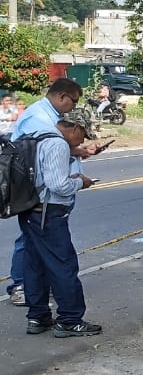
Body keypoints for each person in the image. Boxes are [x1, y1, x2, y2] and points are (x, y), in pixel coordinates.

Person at [7, 79, 102, 307]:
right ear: (61, 96)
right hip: (44, 201)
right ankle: (61, 312)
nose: (73, 106)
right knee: (55, 260)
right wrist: (79, 182)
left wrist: (78, 151)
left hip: (44, 200)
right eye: (74, 101)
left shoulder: (52, 122)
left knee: (37, 255)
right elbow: (47, 166)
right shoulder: (38, 118)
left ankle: (37, 309)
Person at [22, 107, 101, 337]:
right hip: (50, 211)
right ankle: (70, 319)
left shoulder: (39, 135)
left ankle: (37, 317)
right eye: (83, 135)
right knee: (63, 265)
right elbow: (58, 184)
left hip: (29, 208)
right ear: (75, 128)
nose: (83, 140)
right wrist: (80, 182)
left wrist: (76, 153)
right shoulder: (57, 144)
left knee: (35, 265)